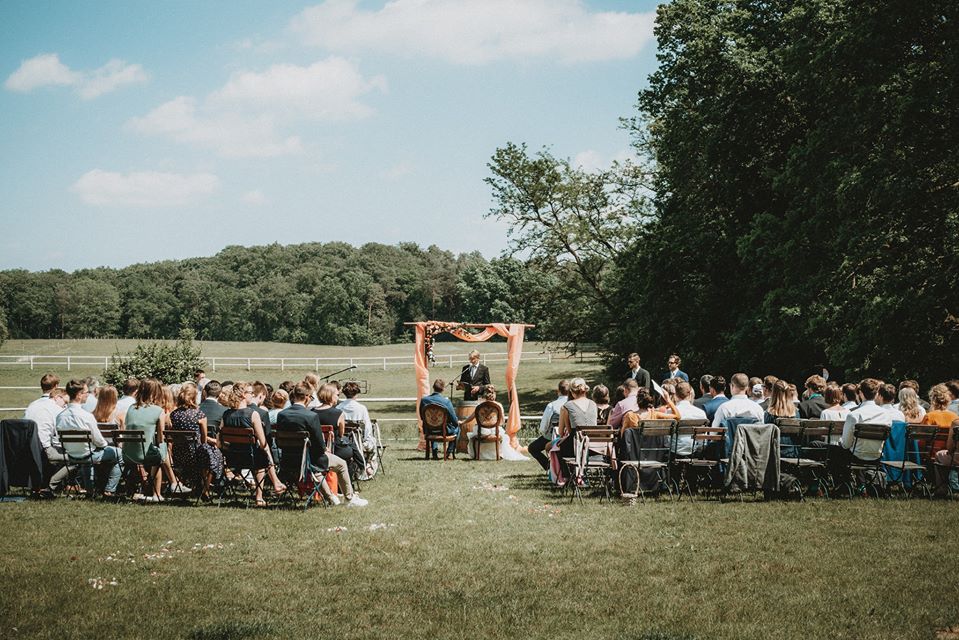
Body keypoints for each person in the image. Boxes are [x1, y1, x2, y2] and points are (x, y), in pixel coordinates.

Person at [275, 384, 368, 507]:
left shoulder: (282, 415)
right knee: (341, 464)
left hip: (288, 459)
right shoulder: (311, 416)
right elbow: (319, 443)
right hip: (309, 459)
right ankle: (349, 498)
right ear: (307, 397)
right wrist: (326, 450)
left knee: (316, 470)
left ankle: (331, 497)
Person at [221, 382, 286, 507]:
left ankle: (276, 483)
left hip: (233, 459)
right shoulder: (253, 414)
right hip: (251, 459)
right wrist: (268, 453)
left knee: (261, 454)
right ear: (243, 395)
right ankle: (259, 496)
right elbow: (263, 443)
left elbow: (220, 441)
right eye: (250, 392)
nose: (252, 395)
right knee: (263, 453)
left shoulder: (226, 415)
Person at [55, 379, 122, 497]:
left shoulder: (60, 416)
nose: (88, 395)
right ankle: (109, 490)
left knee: (87, 457)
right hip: (89, 455)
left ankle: (90, 491)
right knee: (120, 454)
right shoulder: (86, 416)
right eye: (86, 393)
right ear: (79, 395)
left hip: (71, 456)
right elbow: (99, 441)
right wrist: (105, 445)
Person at [829, 378, 893, 486]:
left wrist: (841, 442)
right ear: (877, 394)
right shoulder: (887, 415)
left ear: (861, 394)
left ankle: (842, 485)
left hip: (856, 456)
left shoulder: (854, 415)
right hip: (876, 456)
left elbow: (846, 444)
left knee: (830, 450)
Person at [170, 382, 223, 499]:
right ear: (194, 397)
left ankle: (196, 486)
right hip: (195, 455)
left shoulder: (173, 414)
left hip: (179, 455)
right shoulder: (199, 414)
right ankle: (206, 489)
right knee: (214, 454)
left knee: (207, 453)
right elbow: (203, 440)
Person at [24, 373, 68, 495]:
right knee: (76, 457)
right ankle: (53, 485)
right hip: (44, 449)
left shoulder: (31, 406)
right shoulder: (56, 408)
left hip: (28, 448)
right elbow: (59, 435)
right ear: (56, 386)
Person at [467, 385, 526, 461]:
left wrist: (463, 422)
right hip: (495, 431)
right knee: (503, 436)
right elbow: (502, 421)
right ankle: (499, 454)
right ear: (494, 394)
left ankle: (478, 455)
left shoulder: (479, 406)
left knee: (472, 437)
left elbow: (472, 417)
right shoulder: (499, 406)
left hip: (482, 432)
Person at [337, 381, 377, 477]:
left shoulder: (339, 407)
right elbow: (367, 427)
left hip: (343, 440)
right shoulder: (361, 408)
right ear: (357, 394)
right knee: (373, 443)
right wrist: (366, 439)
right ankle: (367, 465)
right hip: (359, 440)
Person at [556, 378, 599, 467]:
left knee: (559, 447)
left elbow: (561, 432)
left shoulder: (566, 406)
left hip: (576, 446)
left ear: (572, 392)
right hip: (594, 447)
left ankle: (566, 477)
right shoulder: (593, 404)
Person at [528, 380, 570, 471]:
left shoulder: (552, 406)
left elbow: (544, 426)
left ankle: (549, 466)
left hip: (553, 437)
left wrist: (544, 433)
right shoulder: (574, 405)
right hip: (570, 437)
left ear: (558, 391)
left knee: (532, 448)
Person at [419, 379, 460, 460]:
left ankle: (434, 453)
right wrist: (456, 423)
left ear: (433, 387)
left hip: (429, 429)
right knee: (457, 428)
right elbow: (454, 421)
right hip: (444, 430)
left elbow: (422, 416)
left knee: (432, 425)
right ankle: (449, 452)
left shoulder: (424, 400)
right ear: (443, 389)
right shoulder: (446, 402)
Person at [673, 381, 707, 456]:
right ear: (690, 394)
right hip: (693, 450)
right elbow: (702, 438)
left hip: (673, 451)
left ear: (675, 395)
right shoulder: (700, 413)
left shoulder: (671, 412)